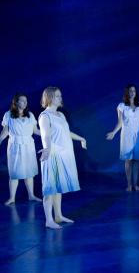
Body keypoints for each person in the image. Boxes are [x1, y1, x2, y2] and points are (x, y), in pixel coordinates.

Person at [39, 87, 87, 229]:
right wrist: (47, 148)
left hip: (64, 155)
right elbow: (45, 135)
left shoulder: (60, 115)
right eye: (58, 96)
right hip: (52, 154)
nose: (60, 98)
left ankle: (58, 215)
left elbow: (67, 133)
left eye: (60, 95)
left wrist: (81, 139)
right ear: (50, 98)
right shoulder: (44, 116)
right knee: (50, 189)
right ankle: (49, 220)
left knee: (58, 187)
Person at [106, 84, 139, 191]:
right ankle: (129, 185)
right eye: (130, 91)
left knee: (136, 161)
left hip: (138, 136)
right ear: (127, 93)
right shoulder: (122, 106)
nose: (132, 93)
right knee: (128, 160)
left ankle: (135, 184)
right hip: (126, 136)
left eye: (134, 91)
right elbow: (120, 123)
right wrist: (113, 132)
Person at [0, 93, 41, 205]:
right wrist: (0, 139)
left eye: (26, 101)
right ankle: (12, 198)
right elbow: (5, 130)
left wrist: (47, 135)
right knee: (14, 172)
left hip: (28, 145)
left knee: (29, 172)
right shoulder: (8, 115)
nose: (25, 103)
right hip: (15, 145)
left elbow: (35, 130)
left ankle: (31, 195)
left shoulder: (30, 115)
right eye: (22, 101)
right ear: (16, 102)